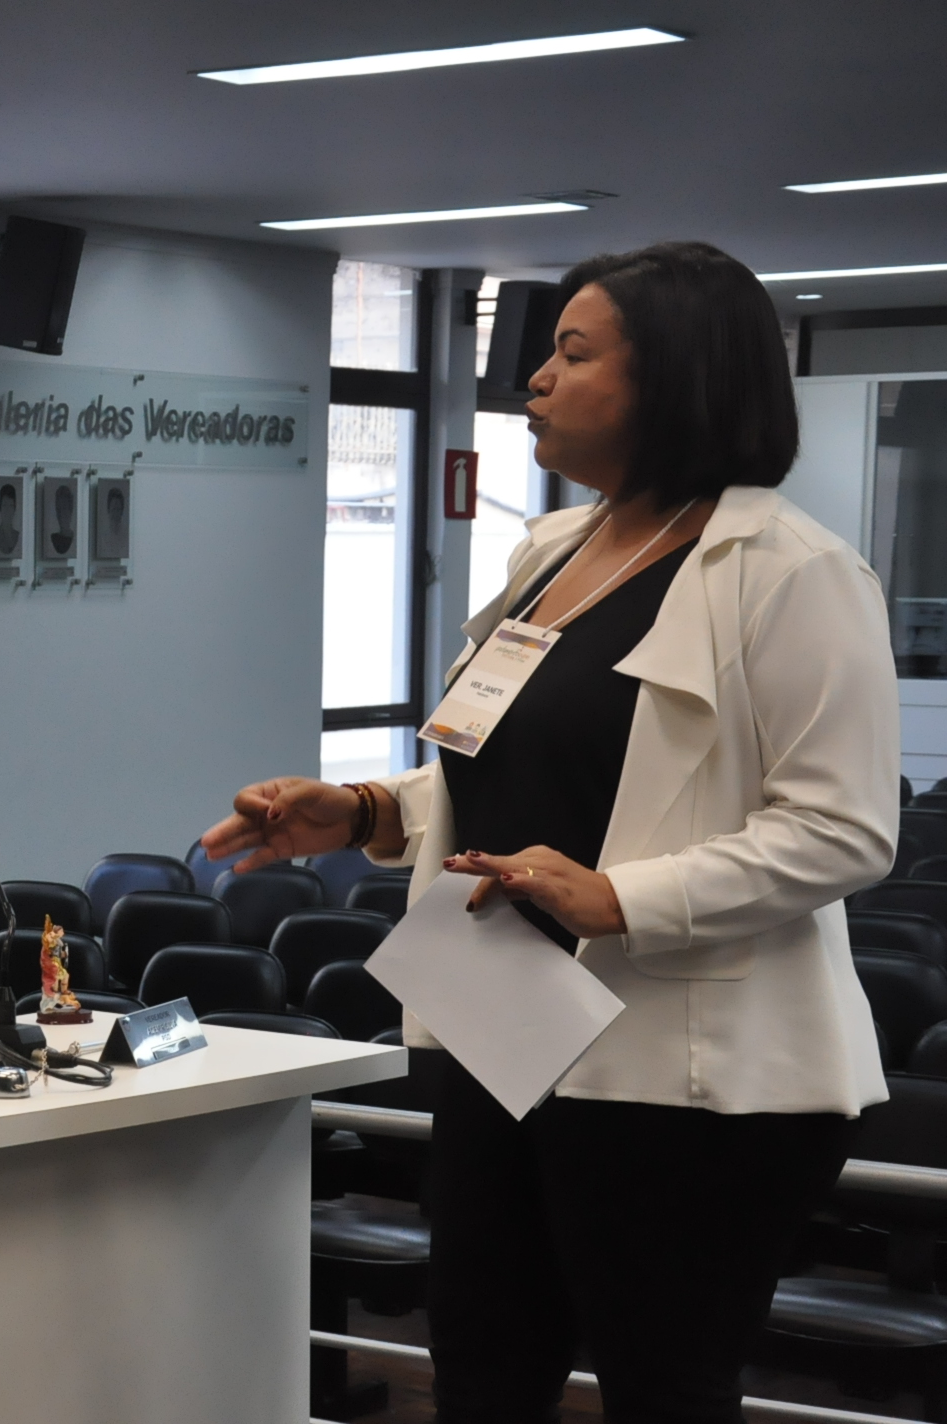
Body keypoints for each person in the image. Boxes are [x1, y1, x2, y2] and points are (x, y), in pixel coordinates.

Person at [201, 242, 896, 1424]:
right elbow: (515, 774)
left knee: (661, 1388)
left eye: (571, 353)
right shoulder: (547, 553)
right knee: (479, 1368)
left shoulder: (791, 572)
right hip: (503, 1027)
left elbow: (841, 829)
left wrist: (617, 896)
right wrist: (365, 810)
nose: (533, 378)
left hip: (689, 1075)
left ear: (674, 377)